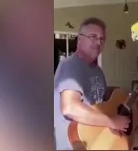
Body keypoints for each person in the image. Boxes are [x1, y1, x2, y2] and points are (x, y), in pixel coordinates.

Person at [54, 17, 130, 150]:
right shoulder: (70, 66)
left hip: (96, 141)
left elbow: (101, 106)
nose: (98, 42)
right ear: (79, 40)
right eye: (93, 37)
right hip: (73, 144)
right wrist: (112, 121)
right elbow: (70, 108)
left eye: (102, 39)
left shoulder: (97, 71)